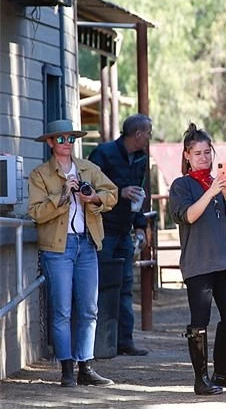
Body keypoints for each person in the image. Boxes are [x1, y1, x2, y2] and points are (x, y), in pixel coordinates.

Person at [28, 119, 118, 387]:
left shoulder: (88, 168)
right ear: (50, 142)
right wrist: (63, 196)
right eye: (61, 139)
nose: (67, 143)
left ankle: (85, 366)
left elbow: (112, 194)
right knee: (62, 310)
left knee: (90, 308)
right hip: (57, 248)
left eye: (71, 138)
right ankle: (67, 369)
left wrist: (93, 198)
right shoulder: (40, 174)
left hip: (87, 243)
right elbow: (35, 213)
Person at [169, 123, 226, 395]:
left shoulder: (220, 183)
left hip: (224, 260)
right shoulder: (181, 185)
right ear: (187, 156)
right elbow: (189, 216)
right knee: (200, 319)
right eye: (198, 153)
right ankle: (200, 379)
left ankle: (224, 373)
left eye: (208, 152)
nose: (204, 158)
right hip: (198, 262)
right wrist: (211, 192)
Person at [88, 114, 152, 356]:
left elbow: (139, 194)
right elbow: (89, 187)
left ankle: (125, 340)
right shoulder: (103, 154)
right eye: (148, 132)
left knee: (125, 286)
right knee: (101, 286)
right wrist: (119, 191)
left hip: (124, 231)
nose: (149, 137)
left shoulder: (141, 158)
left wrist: (139, 224)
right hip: (102, 230)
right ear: (137, 134)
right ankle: (100, 343)